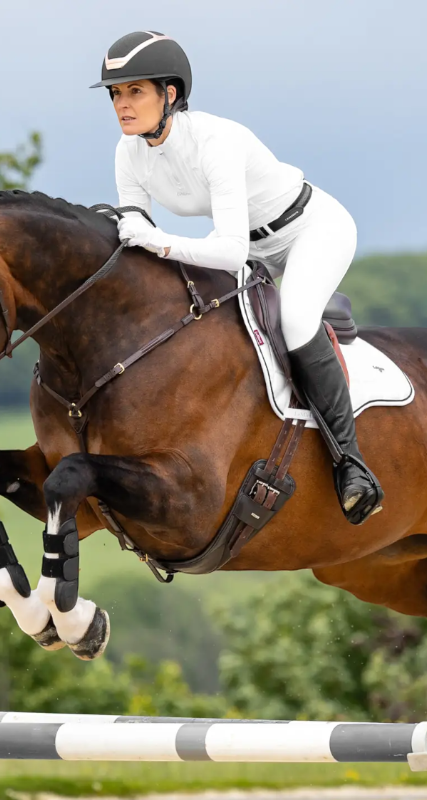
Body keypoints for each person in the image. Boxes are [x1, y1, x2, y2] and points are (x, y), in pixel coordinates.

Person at [91, 31, 382, 525]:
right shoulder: (129, 153)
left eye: (134, 90)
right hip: (255, 251)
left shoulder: (217, 140)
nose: (122, 104)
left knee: (293, 318)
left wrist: (158, 240)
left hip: (311, 229)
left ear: (171, 94)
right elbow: (133, 231)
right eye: (116, 93)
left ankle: (352, 465)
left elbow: (223, 250)